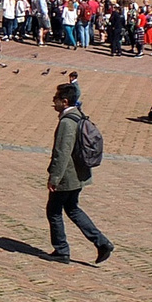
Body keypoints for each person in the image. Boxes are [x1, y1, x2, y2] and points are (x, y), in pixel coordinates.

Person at [46, 83, 114, 265]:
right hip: (80, 174)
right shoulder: (79, 116)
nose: (54, 102)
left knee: (53, 211)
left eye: (56, 99)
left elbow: (62, 152)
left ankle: (61, 250)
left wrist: (54, 178)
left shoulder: (67, 122)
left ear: (65, 101)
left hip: (68, 176)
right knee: (73, 209)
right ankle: (101, 243)